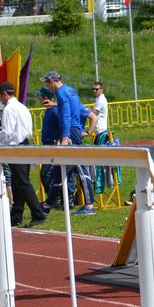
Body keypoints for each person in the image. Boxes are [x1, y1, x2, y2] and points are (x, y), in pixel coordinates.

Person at [40, 71, 96, 215]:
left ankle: (89, 206)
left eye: (47, 83)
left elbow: (66, 115)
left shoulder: (61, 93)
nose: (47, 86)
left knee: (80, 168)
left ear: (52, 81)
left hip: (70, 131)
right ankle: (47, 205)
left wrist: (65, 137)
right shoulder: (70, 90)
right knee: (60, 169)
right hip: (75, 129)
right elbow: (75, 108)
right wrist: (55, 104)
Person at [0, 82, 47, 227]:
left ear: (5, 94)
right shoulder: (22, 107)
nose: (0, 100)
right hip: (25, 144)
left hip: (16, 147)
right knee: (19, 181)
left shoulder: (9, 109)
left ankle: (38, 213)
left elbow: (7, 132)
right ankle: (16, 214)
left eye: (0, 97)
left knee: (22, 181)